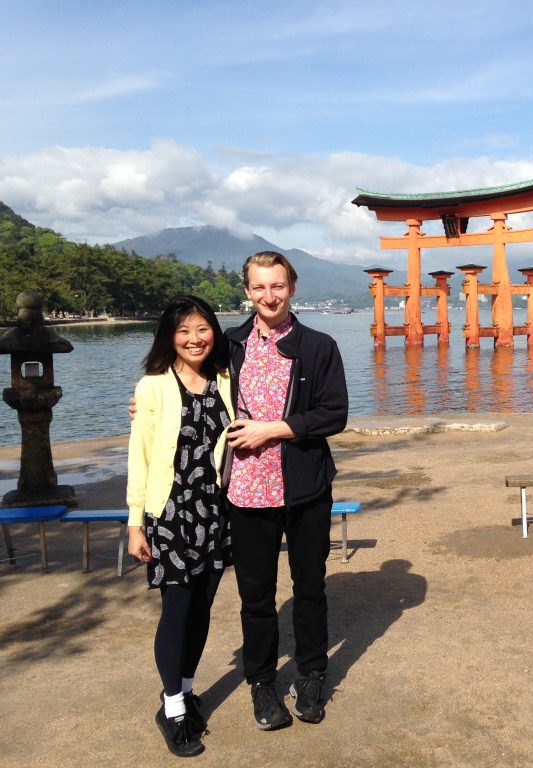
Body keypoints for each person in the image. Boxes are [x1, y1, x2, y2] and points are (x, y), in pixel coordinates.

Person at [223, 251, 348, 730]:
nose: (268, 296)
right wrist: (146, 404)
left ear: (292, 287)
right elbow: (189, 383)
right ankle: (261, 682)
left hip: (304, 486)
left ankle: (313, 673)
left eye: (277, 286)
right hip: (247, 489)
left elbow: (333, 413)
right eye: (259, 287)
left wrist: (273, 429)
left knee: (310, 587)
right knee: (256, 595)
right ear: (247, 290)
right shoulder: (230, 343)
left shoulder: (318, 346)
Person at [127, 295, 235, 758]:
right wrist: (136, 524)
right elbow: (141, 457)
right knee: (177, 609)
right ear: (169, 337)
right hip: (170, 513)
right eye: (183, 331)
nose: (195, 339)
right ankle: (171, 707)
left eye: (202, 328)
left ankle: (187, 690)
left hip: (216, 510)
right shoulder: (152, 387)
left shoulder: (227, 379)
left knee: (203, 608)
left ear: (215, 330)